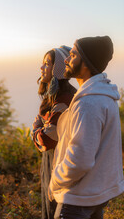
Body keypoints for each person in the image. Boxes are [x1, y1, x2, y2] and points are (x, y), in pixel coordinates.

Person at [48, 36, 124, 219]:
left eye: (73, 55)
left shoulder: (88, 103)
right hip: (95, 192)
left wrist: (55, 180)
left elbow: (80, 160)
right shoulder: (104, 95)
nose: (66, 59)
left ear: (86, 63)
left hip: (78, 198)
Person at [31, 46, 77, 219]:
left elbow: (47, 139)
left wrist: (35, 130)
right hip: (52, 159)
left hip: (59, 160)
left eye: (47, 64)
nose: (42, 68)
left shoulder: (64, 98)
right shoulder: (55, 97)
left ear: (57, 69)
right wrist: (40, 128)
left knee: (55, 207)